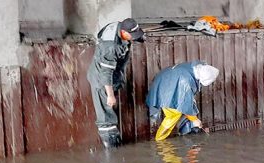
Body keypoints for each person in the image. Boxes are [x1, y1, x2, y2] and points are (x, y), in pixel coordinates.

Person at [87, 18, 145, 147]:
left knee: (110, 110)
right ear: (123, 32)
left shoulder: (119, 26)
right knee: (106, 116)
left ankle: (115, 144)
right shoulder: (110, 47)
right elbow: (105, 73)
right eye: (132, 36)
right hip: (101, 80)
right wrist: (110, 95)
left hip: (114, 75)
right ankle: (112, 152)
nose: (133, 38)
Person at [146, 61, 220, 141]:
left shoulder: (194, 68)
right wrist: (195, 120)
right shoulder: (186, 82)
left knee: (182, 110)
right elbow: (185, 104)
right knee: (174, 114)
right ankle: (159, 140)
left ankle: (186, 129)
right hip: (165, 89)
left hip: (162, 82)